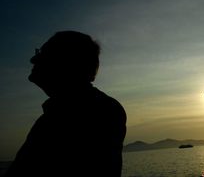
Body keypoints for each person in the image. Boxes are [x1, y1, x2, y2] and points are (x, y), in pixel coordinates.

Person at [6, 31, 127, 176]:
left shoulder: (97, 111)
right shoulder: (58, 113)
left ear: (65, 61)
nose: (33, 59)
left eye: (42, 53)